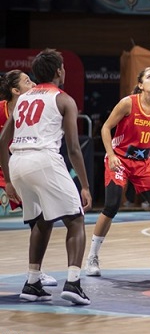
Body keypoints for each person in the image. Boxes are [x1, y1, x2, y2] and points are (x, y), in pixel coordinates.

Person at [0, 49, 93, 305]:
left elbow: (1, 140)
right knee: (75, 219)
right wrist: (84, 186)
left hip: (18, 162)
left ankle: (31, 283)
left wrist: (8, 180)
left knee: (41, 220)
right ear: (59, 71)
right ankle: (73, 282)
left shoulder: (23, 99)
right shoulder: (64, 99)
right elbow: (74, 148)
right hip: (43, 159)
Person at [85, 67, 150, 277]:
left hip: (143, 162)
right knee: (112, 205)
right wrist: (111, 155)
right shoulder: (128, 103)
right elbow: (106, 128)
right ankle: (92, 257)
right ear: (140, 84)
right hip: (120, 159)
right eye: (149, 77)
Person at [0, 70, 59, 288]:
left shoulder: (37, 108)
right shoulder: (1, 110)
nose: (34, 83)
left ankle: (36, 271)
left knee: (39, 218)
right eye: (27, 81)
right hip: (6, 170)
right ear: (15, 91)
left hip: (19, 167)